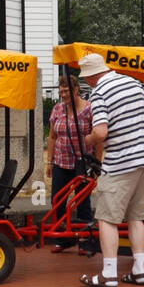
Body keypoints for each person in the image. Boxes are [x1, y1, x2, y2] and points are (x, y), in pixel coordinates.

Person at [76, 52, 144, 287]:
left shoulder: (100, 92)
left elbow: (101, 132)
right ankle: (139, 271)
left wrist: (88, 138)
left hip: (121, 161)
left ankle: (109, 274)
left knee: (107, 218)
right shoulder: (133, 82)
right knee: (137, 217)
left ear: (91, 76)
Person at [44, 75, 95, 252]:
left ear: (76, 90)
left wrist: (98, 163)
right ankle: (63, 239)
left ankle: (84, 240)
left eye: (66, 91)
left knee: (82, 201)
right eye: (61, 91)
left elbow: (98, 138)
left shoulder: (89, 109)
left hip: (82, 162)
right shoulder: (58, 109)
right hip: (61, 161)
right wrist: (50, 162)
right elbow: (52, 136)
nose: (63, 94)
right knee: (57, 200)